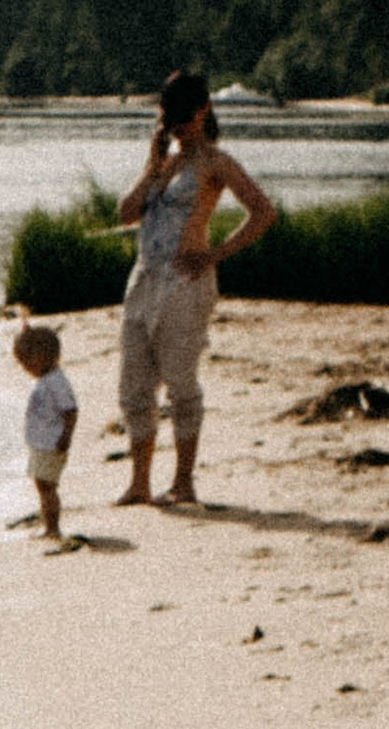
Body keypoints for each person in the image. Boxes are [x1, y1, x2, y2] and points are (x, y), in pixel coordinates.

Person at [113, 71, 274, 506]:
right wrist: (151, 164)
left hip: (186, 281)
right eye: (170, 118)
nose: (178, 126)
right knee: (134, 382)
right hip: (145, 277)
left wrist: (213, 254)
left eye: (185, 116)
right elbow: (125, 213)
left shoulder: (216, 162)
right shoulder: (162, 164)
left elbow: (262, 211)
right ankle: (139, 482)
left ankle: (183, 482)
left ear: (203, 110)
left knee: (180, 379)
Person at [13, 322, 78, 539]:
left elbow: (70, 410)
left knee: (46, 487)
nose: (24, 369)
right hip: (42, 442)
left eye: (25, 363)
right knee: (43, 485)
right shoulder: (46, 380)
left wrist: (66, 436)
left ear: (40, 357)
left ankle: (52, 527)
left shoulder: (56, 382)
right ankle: (49, 525)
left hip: (51, 443)